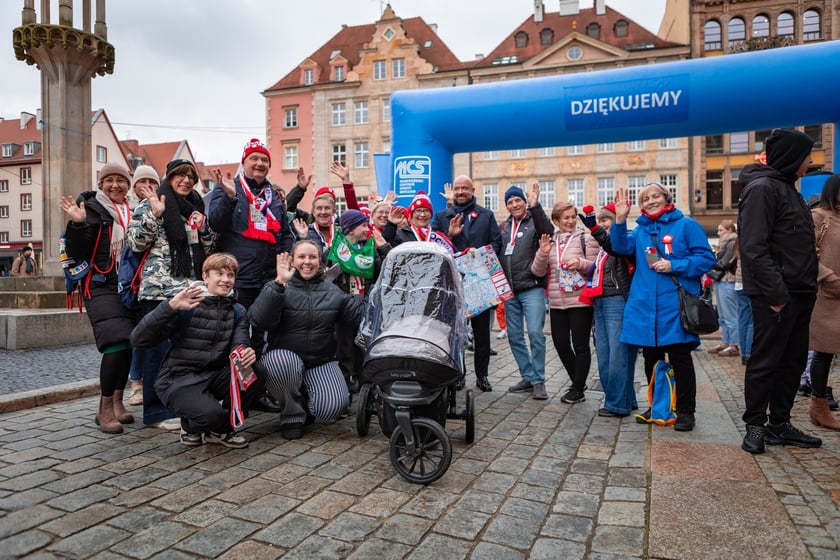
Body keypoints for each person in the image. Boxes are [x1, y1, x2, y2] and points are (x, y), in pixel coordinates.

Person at [738, 128, 821, 454]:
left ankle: (779, 424)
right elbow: (754, 247)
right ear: (792, 157)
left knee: (792, 361)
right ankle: (755, 425)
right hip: (776, 296)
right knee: (765, 361)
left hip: (800, 292)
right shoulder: (762, 189)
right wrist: (776, 296)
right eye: (806, 155)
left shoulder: (788, 188)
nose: (810, 161)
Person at [610, 182, 715, 432]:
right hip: (645, 307)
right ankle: (658, 405)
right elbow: (620, 247)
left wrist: (674, 265)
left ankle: (686, 411)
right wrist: (620, 219)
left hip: (675, 306)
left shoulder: (686, 225)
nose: (650, 201)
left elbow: (706, 258)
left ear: (667, 197)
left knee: (680, 358)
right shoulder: (640, 230)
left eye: (655, 196)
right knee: (651, 358)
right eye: (644, 199)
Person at [130, 253, 263, 448]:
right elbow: (138, 339)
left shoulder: (237, 310)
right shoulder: (186, 303)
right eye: (219, 273)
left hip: (214, 375)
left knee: (256, 372)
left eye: (231, 275)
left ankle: (215, 428)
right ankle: (195, 423)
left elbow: (239, 342)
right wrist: (170, 307)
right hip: (178, 379)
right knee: (212, 415)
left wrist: (244, 351)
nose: (226, 280)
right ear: (205, 276)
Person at [207, 138, 295, 414]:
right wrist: (231, 197)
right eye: (253, 159)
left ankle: (255, 391)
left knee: (261, 335)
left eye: (264, 160)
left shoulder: (274, 196)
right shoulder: (229, 189)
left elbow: (282, 234)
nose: (259, 164)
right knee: (235, 335)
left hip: (266, 278)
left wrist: (286, 259)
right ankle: (229, 390)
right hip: (238, 278)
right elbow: (216, 223)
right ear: (244, 162)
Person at [126, 160, 214, 430]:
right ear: (169, 177)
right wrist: (155, 213)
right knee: (157, 354)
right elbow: (135, 242)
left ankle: (182, 404)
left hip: (189, 289)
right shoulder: (152, 202)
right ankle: (157, 414)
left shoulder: (196, 208)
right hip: (159, 291)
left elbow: (207, 249)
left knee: (185, 353)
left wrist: (204, 229)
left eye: (191, 176)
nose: (186, 180)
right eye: (180, 175)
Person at [248, 240, 364, 440]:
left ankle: (304, 403)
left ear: (321, 262)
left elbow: (360, 316)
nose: (307, 262)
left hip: (320, 361)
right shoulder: (277, 286)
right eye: (301, 257)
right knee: (282, 364)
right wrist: (279, 284)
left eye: (312, 257)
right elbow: (258, 320)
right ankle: (292, 414)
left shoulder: (333, 292)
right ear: (292, 260)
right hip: (284, 360)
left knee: (333, 407)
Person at [59, 162, 138, 434]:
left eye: (121, 180)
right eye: (109, 180)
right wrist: (78, 225)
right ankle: (103, 408)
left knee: (129, 343)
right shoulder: (89, 209)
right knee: (116, 341)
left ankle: (118, 402)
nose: (115, 185)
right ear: (101, 183)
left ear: (128, 185)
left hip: (129, 285)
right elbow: (76, 250)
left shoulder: (135, 210)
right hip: (101, 283)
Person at [431, 175, 502, 392]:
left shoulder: (486, 215)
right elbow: (434, 244)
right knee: (455, 334)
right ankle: (457, 375)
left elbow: (497, 243)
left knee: (482, 335)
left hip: (479, 283)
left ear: (472, 190)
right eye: (458, 188)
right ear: (453, 191)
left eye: (465, 188)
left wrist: (479, 256)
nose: (461, 192)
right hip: (452, 283)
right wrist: (451, 237)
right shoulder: (442, 216)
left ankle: (483, 376)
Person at [531, 201, 600, 403]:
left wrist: (581, 263)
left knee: (580, 345)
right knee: (560, 344)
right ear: (556, 221)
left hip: (580, 300)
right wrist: (543, 252)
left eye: (572, 217)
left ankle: (577, 388)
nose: (570, 221)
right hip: (556, 301)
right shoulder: (550, 241)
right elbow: (537, 272)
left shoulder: (586, 239)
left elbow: (595, 268)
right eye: (565, 218)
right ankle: (577, 380)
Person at [577, 203, 638, 417]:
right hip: (601, 302)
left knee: (616, 357)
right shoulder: (604, 249)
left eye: (606, 219)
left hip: (616, 301)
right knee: (607, 355)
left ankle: (617, 404)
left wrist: (594, 228)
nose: (602, 223)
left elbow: (615, 245)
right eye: (600, 219)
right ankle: (627, 399)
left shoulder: (623, 241)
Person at [499, 183, 554, 399]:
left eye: (517, 200)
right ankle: (528, 376)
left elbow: (547, 232)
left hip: (532, 287)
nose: (514, 205)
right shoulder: (504, 227)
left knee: (535, 333)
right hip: (510, 290)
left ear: (524, 201)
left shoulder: (535, 221)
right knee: (514, 336)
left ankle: (539, 380)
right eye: (510, 202)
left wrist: (536, 205)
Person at [124, 164, 160, 409]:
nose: (148, 186)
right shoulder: (133, 210)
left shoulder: (163, 206)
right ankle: (135, 383)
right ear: (134, 186)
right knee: (140, 335)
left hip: (153, 281)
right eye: (142, 181)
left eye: (152, 181)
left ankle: (148, 384)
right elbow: (136, 244)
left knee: (151, 335)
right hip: (135, 280)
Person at [806, 174, 840, 431]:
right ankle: (819, 405)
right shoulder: (819, 217)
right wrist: (830, 279)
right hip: (828, 297)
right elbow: (804, 254)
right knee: (824, 353)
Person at [708, 220, 740, 357]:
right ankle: (726, 342)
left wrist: (712, 263)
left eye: (721, 230)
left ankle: (734, 345)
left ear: (729, 230)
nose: (718, 233)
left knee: (730, 315)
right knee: (722, 315)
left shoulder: (732, 243)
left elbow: (724, 263)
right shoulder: (725, 244)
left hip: (728, 280)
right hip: (722, 280)